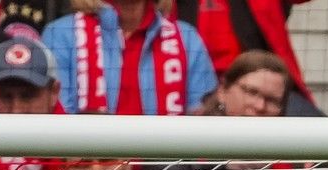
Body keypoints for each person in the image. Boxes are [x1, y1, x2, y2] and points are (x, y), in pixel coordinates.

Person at [42, 0, 215, 117]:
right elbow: (59, 116)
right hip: (88, 167)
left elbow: (203, 120)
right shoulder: (61, 34)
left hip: (165, 169)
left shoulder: (187, 38)